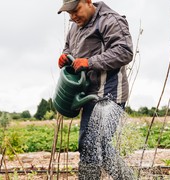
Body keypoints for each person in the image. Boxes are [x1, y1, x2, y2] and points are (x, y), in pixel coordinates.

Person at [57, 0, 134, 179]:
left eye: (76, 10)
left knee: (92, 144)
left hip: (108, 94)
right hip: (90, 93)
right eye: (69, 13)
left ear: (88, 2)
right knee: (97, 145)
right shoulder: (76, 26)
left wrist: (90, 62)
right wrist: (64, 57)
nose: (73, 16)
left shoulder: (109, 21)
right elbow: (69, 49)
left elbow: (124, 51)